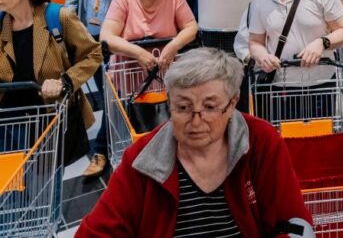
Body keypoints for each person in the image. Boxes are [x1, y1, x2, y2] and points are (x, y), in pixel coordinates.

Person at [76, 48, 313, 237]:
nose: (196, 121)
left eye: (209, 107)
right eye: (183, 107)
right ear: (169, 103)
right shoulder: (141, 159)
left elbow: (292, 222)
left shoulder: (260, 141)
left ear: (232, 104)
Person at [0, 0, 102, 166]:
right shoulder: (1, 23)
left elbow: (93, 54)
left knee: (45, 184)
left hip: (49, 119)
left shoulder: (58, 17)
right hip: (7, 122)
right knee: (11, 188)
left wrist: (65, 81)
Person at [65, 0, 136, 176]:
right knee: (110, 97)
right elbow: (72, 0)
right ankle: (115, 145)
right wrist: (71, 33)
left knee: (113, 96)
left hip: (120, 43)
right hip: (92, 43)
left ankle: (102, 150)